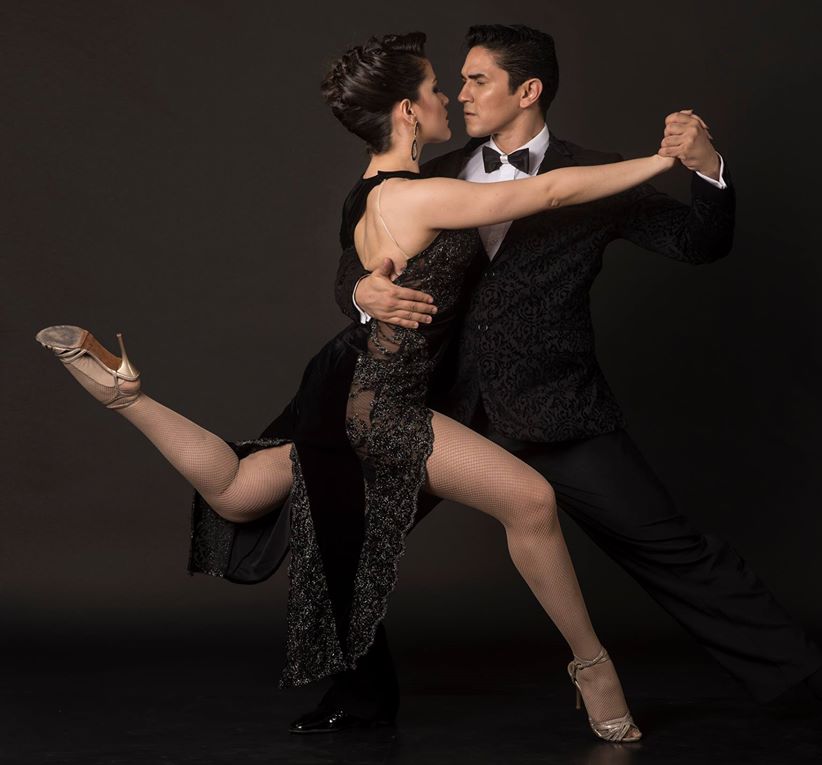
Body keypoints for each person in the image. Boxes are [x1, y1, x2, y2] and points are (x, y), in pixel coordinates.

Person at [33, 29, 705, 744]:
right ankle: (593, 666)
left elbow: (375, 269)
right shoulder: (420, 197)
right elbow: (550, 189)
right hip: (383, 398)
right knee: (533, 502)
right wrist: (664, 159)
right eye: (436, 89)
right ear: (408, 112)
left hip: (345, 379)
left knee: (238, 489)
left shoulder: (367, 194)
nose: (450, 97)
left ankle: (125, 394)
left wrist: (363, 291)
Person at [310, 24, 822, 735]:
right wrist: (361, 294)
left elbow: (698, 243)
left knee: (677, 552)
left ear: (528, 90)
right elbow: (359, 257)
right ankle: (361, 696)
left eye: (477, 79)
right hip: (444, 410)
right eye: (458, 81)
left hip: (557, 409)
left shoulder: (600, 174)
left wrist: (708, 169)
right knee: (339, 530)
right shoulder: (428, 173)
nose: (461, 92)